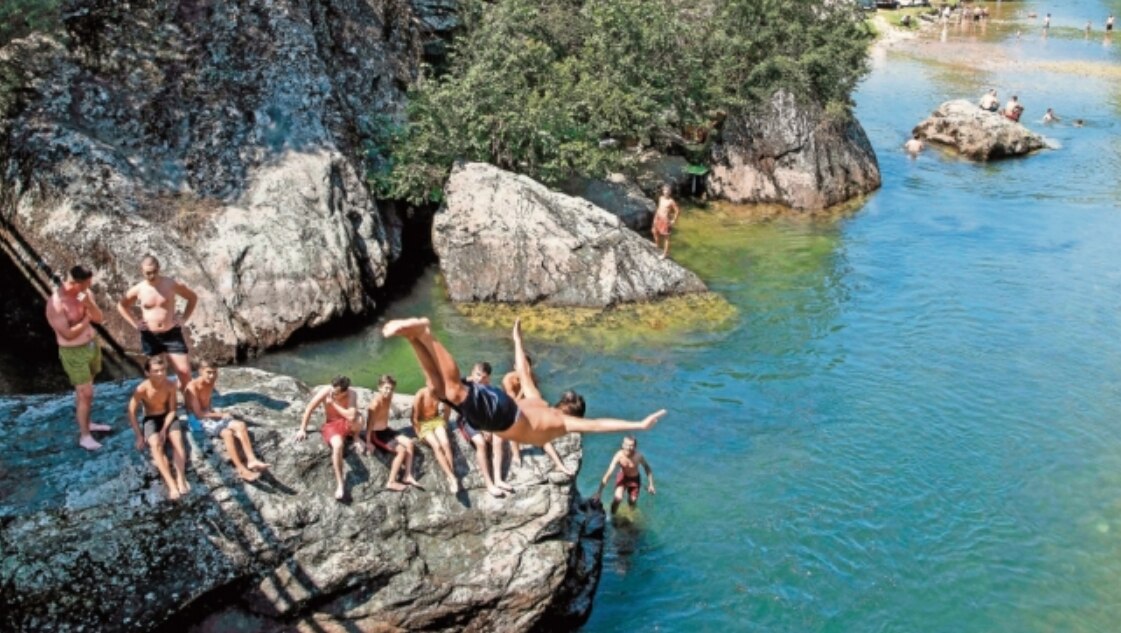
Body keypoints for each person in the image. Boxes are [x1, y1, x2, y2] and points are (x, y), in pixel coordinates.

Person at [382, 316, 666, 447]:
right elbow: (599, 425)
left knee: (438, 390)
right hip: (505, 417)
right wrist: (637, 424)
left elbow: (523, 370)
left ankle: (413, 338)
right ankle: (426, 333)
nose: (565, 402)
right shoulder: (560, 423)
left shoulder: (540, 401)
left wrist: (517, 340)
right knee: (455, 390)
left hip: (502, 410)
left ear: (567, 407)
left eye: (568, 401)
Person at [45, 265, 110, 450]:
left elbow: (99, 317)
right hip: (73, 352)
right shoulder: (56, 303)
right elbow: (68, 334)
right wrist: (86, 320)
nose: (90, 285)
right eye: (87, 283)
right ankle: (85, 436)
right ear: (76, 283)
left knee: (86, 393)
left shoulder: (85, 294)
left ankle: (87, 423)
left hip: (91, 345)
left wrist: (89, 305)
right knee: (85, 393)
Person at [117, 255, 198, 392]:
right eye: (148, 272)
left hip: (171, 333)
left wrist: (183, 319)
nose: (152, 275)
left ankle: (187, 404)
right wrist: (135, 323)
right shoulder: (138, 289)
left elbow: (192, 297)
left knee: (184, 372)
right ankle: (160, 405)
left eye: (154, 271)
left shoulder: (171, 284)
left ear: (159, 268)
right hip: (150, 336)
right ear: (141, 271)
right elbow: (121, 305)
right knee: (156, 375)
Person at [185, 359, 270, 482]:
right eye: (209, 372)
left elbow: (207, 404)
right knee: (227, 433)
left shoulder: (210, 382)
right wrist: (220, 414)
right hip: (197, 420)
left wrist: (216, 415)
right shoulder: (192, 387)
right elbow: (198, 414)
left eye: (215, 372)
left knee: (240, 425)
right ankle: (241, 469)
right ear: (200, 371)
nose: (212, 376)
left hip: (208, 415)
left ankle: (251, 460)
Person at [127, 356, 188, 500]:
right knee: (155, 445)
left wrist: (164, 430)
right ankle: (171, 484)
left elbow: (173, 410)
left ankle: (181, 477)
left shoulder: (170, 385)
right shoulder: (142, 388)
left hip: (168, 416)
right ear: (147, 373)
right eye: (155, 371)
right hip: (151, 418)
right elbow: (131, 412)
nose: (160, 374)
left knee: (177, 441)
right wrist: (139, 436)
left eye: (163, 370)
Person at [502, 356, 574, 477]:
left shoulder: (532, 378)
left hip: (527, 410)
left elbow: (536, 399)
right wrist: (523, 389)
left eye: (527, 366)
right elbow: (513, 403)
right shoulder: (508, 379)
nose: (524, 369)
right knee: (514, 426)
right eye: (521, 366)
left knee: (543, 435)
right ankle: (516, 454)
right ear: (515, 367)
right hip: (510, 410)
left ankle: (559, 465)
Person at [296, 375, 362, 500]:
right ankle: (340, 483)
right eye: (332, 389)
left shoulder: (352, 394)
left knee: (359, 418)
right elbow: (310, 407)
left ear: (344, 391)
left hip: (346, 421)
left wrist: (333, 403)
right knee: (337, 445)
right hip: (332, 424)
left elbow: (351, 416)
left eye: (336, 392)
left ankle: (356, 437)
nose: (332, 393)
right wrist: (302, 429)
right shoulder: (326, 391)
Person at [457, 362, 513, 497]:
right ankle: (489, 483)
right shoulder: (465, 386)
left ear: (488, 378)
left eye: (484, 377)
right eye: (477, 375)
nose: (480, 379)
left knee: (499, 438)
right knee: (481, 443)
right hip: (467, 420)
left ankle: (498, 479)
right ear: (472, 373)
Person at [365, 374, 420, 491]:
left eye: (391, 389)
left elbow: (391, 407)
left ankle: (407, 475)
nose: (389, 391)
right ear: (379, 387)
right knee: (401, 450)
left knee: (410, 443)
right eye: (386, 388)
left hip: (386, 429)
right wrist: (368, 442)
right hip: (377, 434)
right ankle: (391, 481)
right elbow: (369, 424)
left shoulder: (389, 397)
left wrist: (398, 411)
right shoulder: (375, 404)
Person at [413, 385, 459, 493]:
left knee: (446, 443)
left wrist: (445, 422)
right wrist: (418, 433)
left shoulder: (441, 393)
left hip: (436, 420)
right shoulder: (421, 393)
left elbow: (447, 408)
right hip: (423, 423)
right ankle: (452, 477)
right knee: (437, 446)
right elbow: (414, 417)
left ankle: (451, 476)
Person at [593, 435, 656, 515]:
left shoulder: (638, 456)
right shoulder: (619, 456)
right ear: (622, 445)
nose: (628, 448)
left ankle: (630, 515)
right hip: (623, 477)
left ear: (635, 446)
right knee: (617, 498)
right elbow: (608, 473)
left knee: (632, 501)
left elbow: (647, 468)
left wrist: (651, 484)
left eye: (631, 445)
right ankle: (612, 516)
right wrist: (599, 492)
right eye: (626, 445)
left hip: (635, 479)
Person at [651, 184, 680, 260]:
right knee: (654, 231)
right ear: (663, 191)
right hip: (658, 218)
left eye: (668, 190)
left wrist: (674, 220)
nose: (666, 192)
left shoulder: (671, 201)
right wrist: (655, 219)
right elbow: (658, 209)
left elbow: (677, 211)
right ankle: (657, 245)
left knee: (666, 238)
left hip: (665, 221)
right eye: (664, 190)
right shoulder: (660, 198)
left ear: (670, 192)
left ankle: (665, 254)